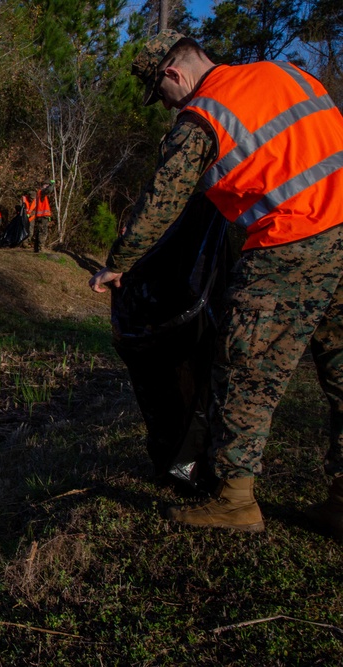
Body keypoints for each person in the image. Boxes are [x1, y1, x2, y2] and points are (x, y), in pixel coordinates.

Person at [89, 30, 343, 537]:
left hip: (291, 242)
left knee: (246, 370)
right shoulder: (284, 73)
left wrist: (119, 263)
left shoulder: (205, 113)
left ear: (172, 73)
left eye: (160, 95)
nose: (165, 106)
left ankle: (233, 500)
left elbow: (162, 198)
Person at [33, 181, 54, 252]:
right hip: (42, 216)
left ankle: (37, 248)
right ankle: (40, 248)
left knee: (39, 231)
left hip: (40, 216)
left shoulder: (40, 193)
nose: (47, 186)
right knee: (43, 232)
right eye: (46, 185)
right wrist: (52, 184)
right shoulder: (41, 192)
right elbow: (49, 190)